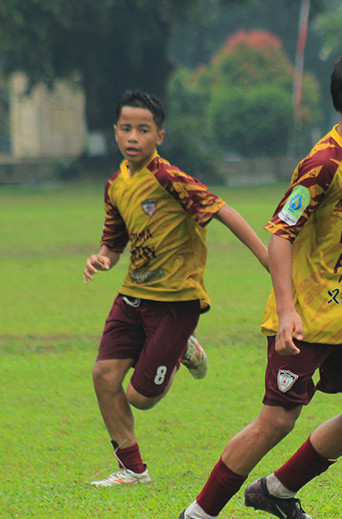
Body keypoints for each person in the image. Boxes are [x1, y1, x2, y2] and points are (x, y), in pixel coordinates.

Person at [173, 49, 342, 519]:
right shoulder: (323, 163)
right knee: (277, 419)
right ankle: (196, 518)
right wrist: (288, 309)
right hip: (307, 317)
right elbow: (281, 235)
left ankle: (278, 491)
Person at [83, 90, 269, 487]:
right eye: (127, 128)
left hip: (175, 301)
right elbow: (114, 242)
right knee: (104, 375)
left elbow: (223, 210)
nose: (134, 137)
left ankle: (184, 344)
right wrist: (101, 257)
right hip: (133, 294)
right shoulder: (116, 184)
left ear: (159, 137)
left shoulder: (168, 178)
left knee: (140, 398)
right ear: (115, 132)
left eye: (143, 130)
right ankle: (133, 470)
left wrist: (265, 257)